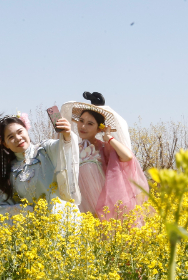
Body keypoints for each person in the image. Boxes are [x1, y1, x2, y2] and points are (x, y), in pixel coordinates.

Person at [61, 92, 149, 222]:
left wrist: (109, 138)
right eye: (81, 121)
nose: (83, 126)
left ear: (99, 129)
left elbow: (128, 157)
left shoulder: (104, 147)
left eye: (90, 124)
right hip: (82, 210)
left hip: (106, 210)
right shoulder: (72, 149)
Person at [0, 112, 81, 218]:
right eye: (11, 137)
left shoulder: (45, 150)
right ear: (5, 144)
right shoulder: (6, 171)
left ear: (26, 130)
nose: (18, 138)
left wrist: (67, 135)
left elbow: (64, 147)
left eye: (20, 132)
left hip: (61, 218)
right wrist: (26, 212)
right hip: (32, 226)